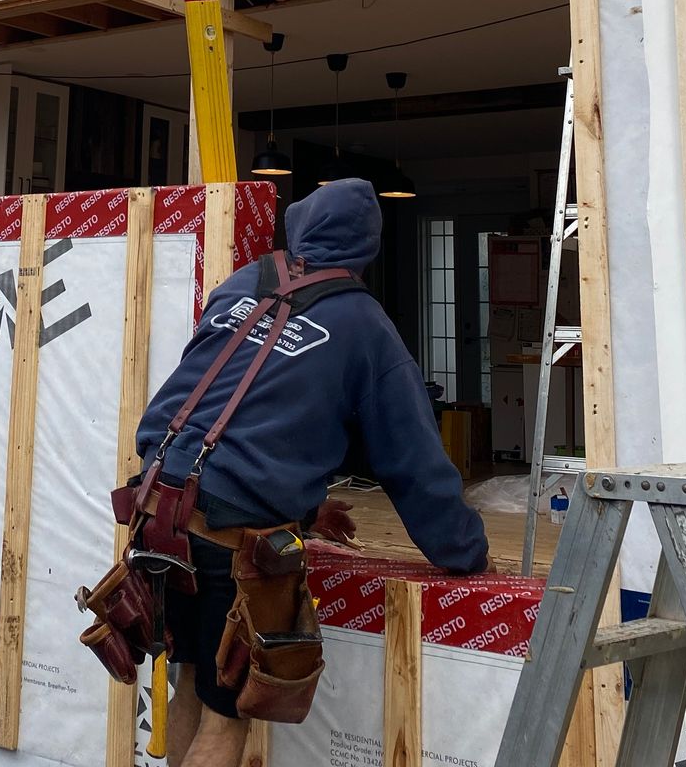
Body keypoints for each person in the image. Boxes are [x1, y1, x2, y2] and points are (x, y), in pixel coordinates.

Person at [132, 179, 489, 767]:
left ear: (300, 226)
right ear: (365, 249)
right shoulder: (365, 326)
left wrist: (300, 508)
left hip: (157, 504)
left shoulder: (242, 284)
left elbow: (232, 405)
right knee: (227, 721)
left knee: (193, 685)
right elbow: (414, 466)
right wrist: (465, 551)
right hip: (227, 539)